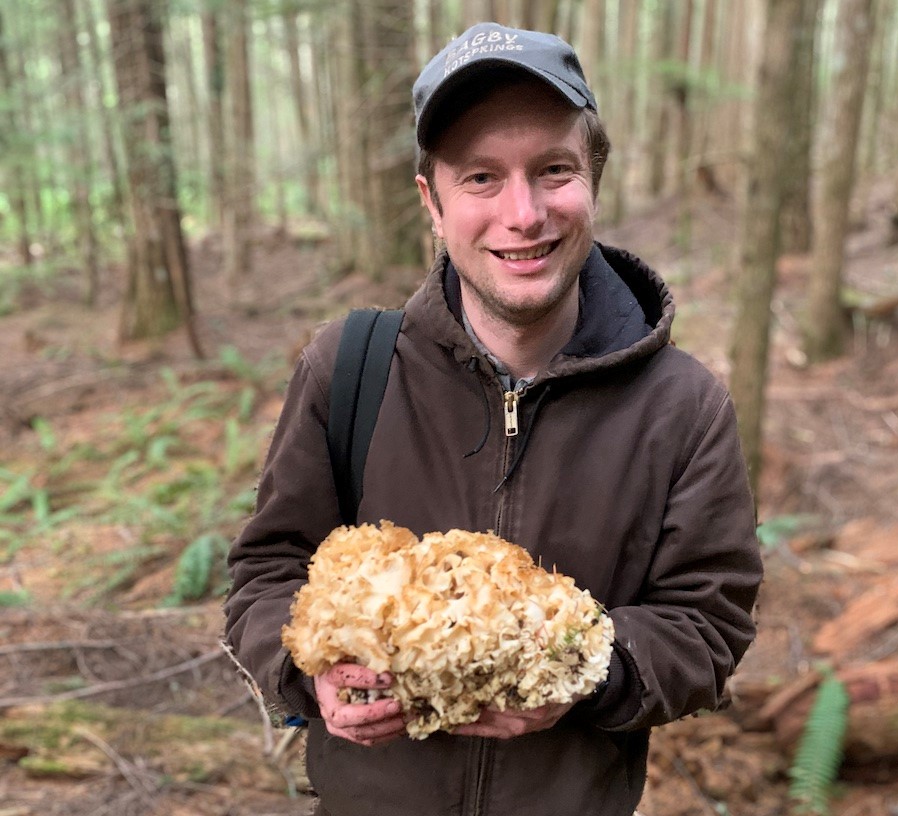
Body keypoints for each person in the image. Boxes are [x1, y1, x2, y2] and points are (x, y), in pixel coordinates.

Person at [224, 21, 763, 816]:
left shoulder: (680, 406)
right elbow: (267, 574)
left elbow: (708, 624)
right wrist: (312, 672)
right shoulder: (351, 369)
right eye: (480, 177)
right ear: (431, 202)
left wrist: (581, 675)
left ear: (593, 182)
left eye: (553, 170)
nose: (523, 213)